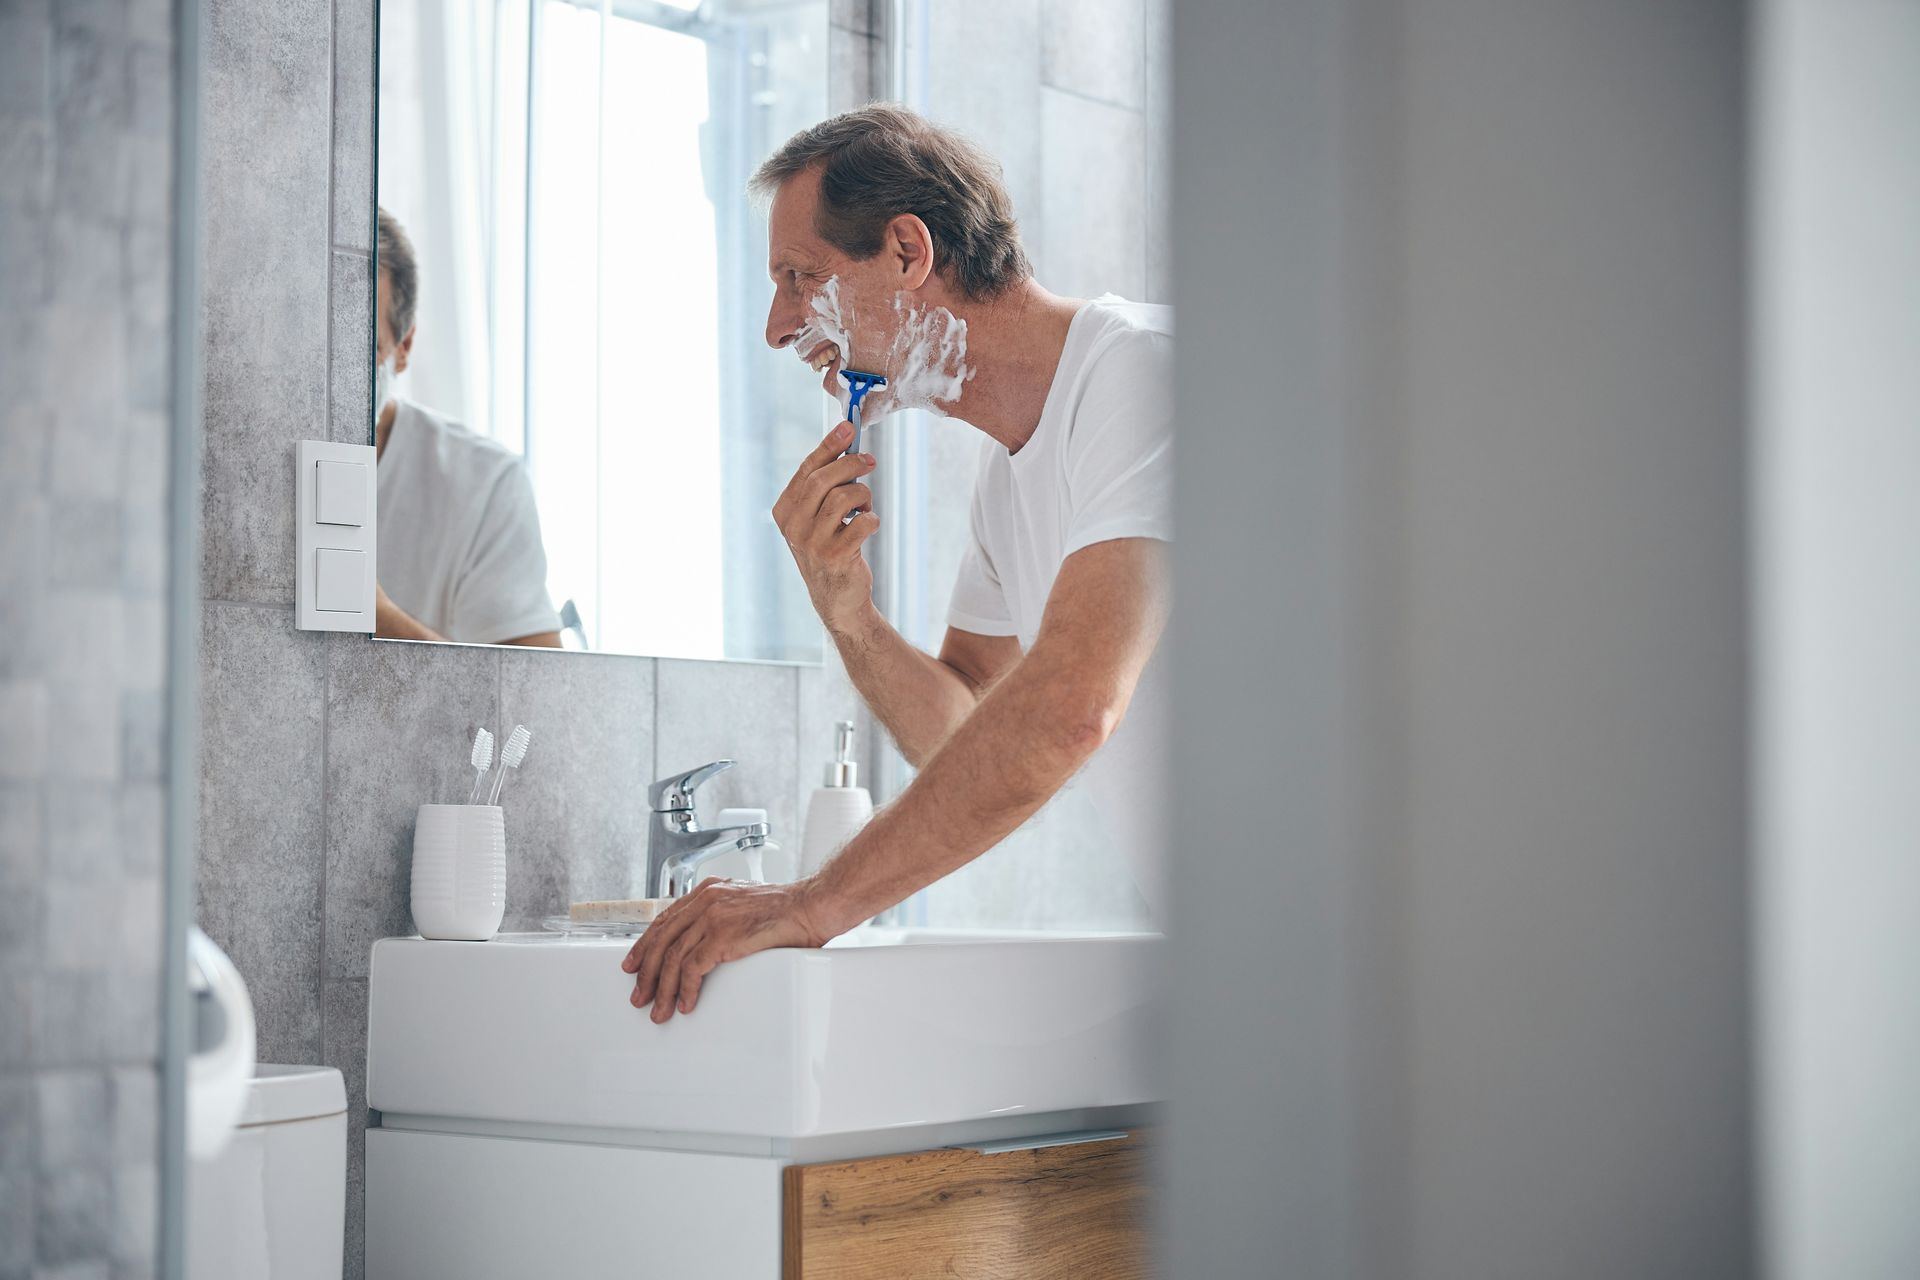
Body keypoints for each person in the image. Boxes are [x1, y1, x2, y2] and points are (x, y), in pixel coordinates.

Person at [624, 105, 1172, 1021]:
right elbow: (958, 735)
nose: (777, 325)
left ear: (910, 252)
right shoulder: (1009, 482)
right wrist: (852, 619)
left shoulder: (1140, 379)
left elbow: (1072, 710)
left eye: (802, 278)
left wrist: (812, 903)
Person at [372, 208, 561, 647]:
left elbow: (533, 700)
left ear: (404, 347)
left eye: (359, 349)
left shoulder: (483, 485)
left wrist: (376, 615)